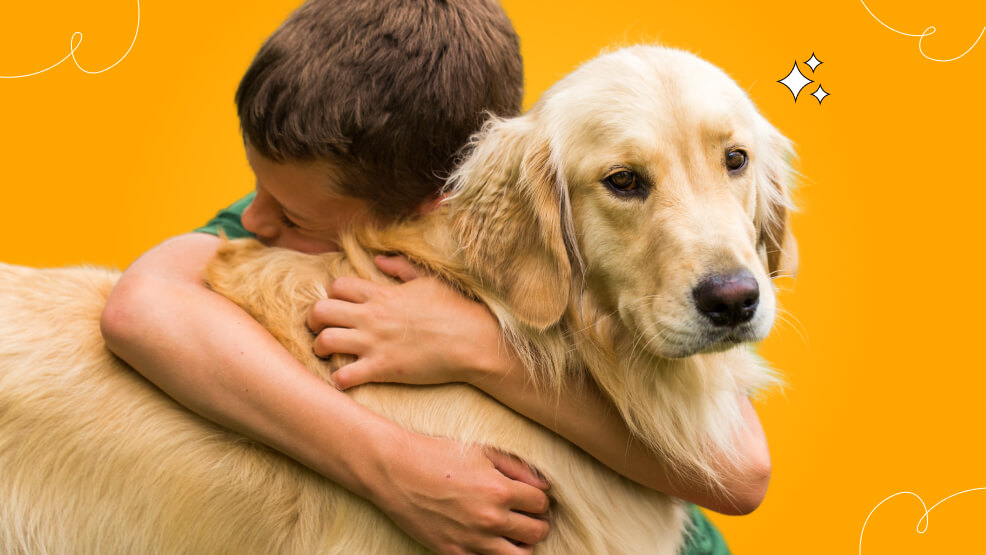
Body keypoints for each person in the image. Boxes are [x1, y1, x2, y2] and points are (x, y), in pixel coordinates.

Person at [100, 0, 764, 552]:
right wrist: (390, 464)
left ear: (432, 208)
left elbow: (741, 473)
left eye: (291, 211)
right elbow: (141, 306)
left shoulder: (544, 195)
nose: (255, 219)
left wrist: (479, 349)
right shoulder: (311, 204)